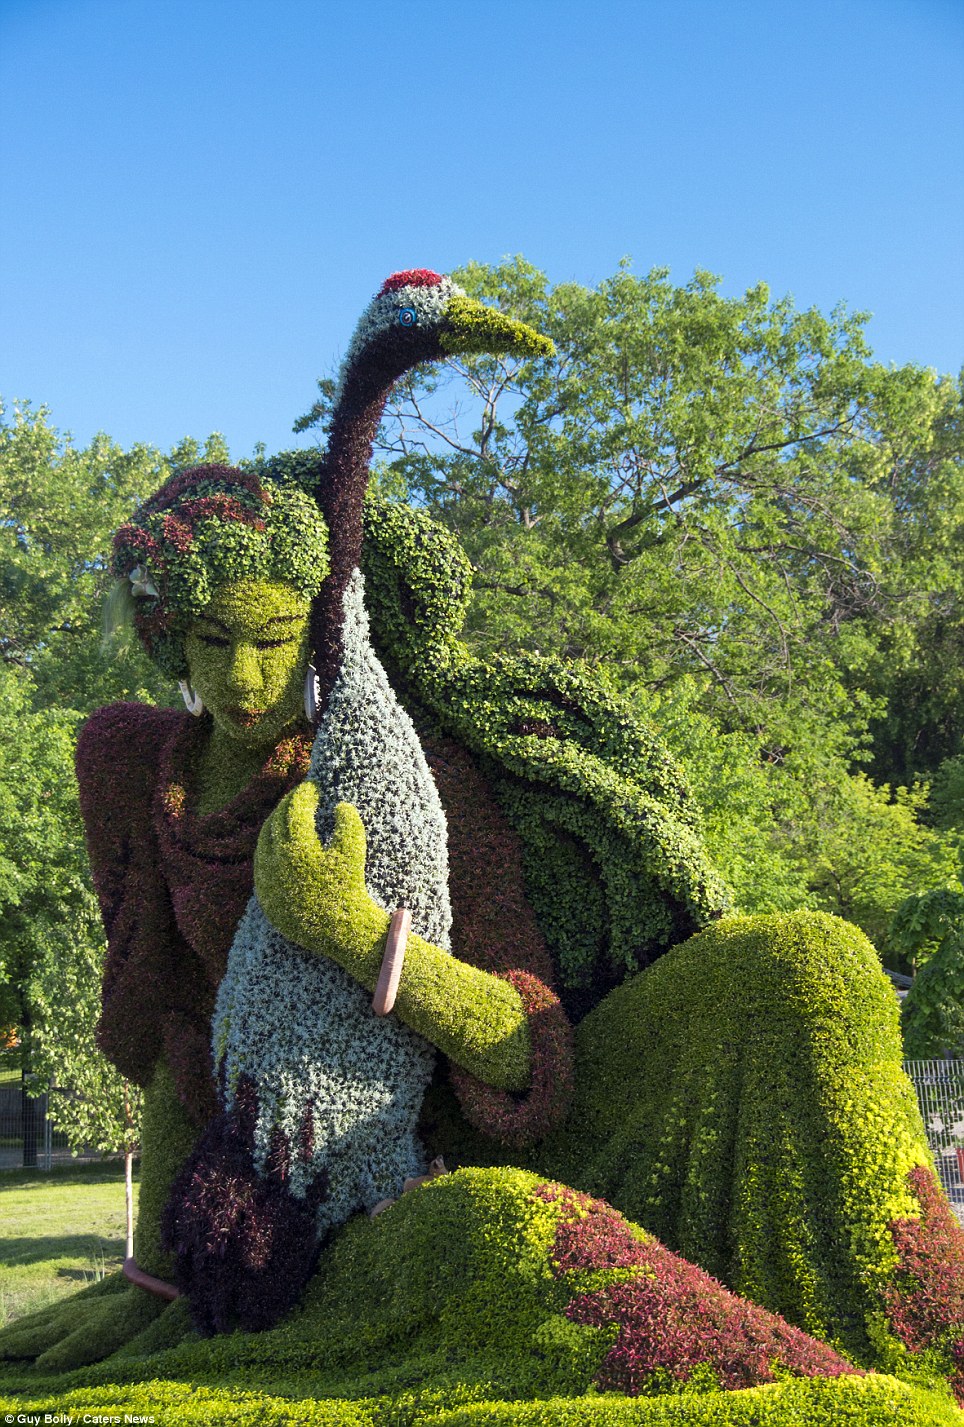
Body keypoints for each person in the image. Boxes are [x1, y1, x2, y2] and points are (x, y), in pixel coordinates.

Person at [2, 461, 961, 1405]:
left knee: (812, 963)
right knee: (493, 1229)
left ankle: (913, 1358)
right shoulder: (139, 769)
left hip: (460, 1152)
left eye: (275, 639)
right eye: (214, 640)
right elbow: (177, 1042)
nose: (246, 677)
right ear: (169, 633)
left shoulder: (412, 770)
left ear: (325, 629)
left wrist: (357, 931)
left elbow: (525, 1053)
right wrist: (156, 1285)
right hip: (303, 1222)